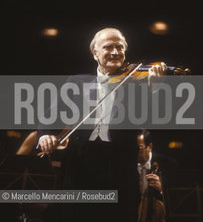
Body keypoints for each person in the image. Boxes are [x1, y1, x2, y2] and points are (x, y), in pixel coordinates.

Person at [38, 27, 167, 222]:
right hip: (78, 167)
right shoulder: (76, 82)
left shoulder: (137, 84)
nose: (115, 52)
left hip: (119, 170)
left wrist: (155, 89)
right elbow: (50, 117)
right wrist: (45, 135)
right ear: (95, 54)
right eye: (108, 47)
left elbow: (149, 118)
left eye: (120, 47)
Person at [137, 129, 166, 222]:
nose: (137, 152)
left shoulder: (165, 164)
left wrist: (161, 190)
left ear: (150, 146)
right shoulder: (127, 165)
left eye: (140, 148)